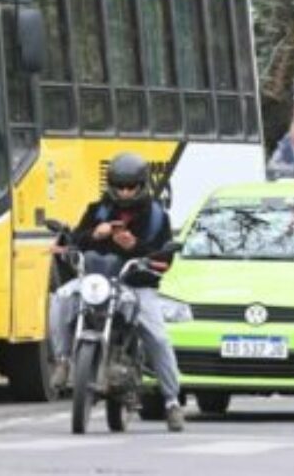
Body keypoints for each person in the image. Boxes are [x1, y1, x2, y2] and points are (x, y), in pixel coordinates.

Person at [50, 152, 186, 432]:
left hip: (136, 285)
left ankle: (172, 401)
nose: (125, 192)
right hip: (97, 281)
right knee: (61, 298)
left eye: (131, 187)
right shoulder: (97, 210)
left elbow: (164, 258)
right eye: (120, 186)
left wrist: (134, 247)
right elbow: (75, 240)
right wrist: (93, 236)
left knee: (158, 338)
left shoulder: (157, 217)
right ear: (111, 184)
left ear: (141, 185)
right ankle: (63, 360)